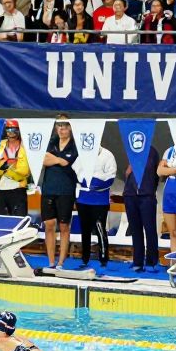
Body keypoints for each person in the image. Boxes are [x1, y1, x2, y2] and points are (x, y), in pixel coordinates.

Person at [41, 115, 78, 271]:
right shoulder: (50, 142)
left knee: (64, 226)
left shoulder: (75, 145)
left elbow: (67, 161)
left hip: (66, 190)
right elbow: (42, 159)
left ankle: (61, 262)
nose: (62, 128)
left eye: (65, 125)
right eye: (59, 125)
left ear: (70, 127)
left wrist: (52, 158)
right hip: (48, 189)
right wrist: (58, 160)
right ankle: (51, 262)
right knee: (49, 224)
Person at [76, 144, 117, 268]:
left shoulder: (108, 155)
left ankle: (103, 259)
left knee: (100, 229)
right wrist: (83, 182)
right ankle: (85, 258)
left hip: (100, 201)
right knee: (85, 230)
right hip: (83, 199)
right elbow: (76, 172)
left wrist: (95, 182)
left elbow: (111, 176)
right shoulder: (82, 154)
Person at [124, 143, 160, 272]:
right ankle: (137, 261)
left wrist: (149, 190)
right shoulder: (132, 149)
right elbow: (128, 172)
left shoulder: (152, 151)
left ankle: (151, 261)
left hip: (146, 195)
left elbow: (155, 174)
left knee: (150, 229)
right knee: (135, 229)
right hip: (130, 194)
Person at [0, 120, 30, 215]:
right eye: (8, 130)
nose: (10, 133)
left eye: (13, 130)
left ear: (19, 131)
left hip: (18, 188)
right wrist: (12, 165)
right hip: (1, 188)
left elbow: (25, 170)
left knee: (19, 220)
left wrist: (5, 166)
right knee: (1, 220)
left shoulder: (26, 146)